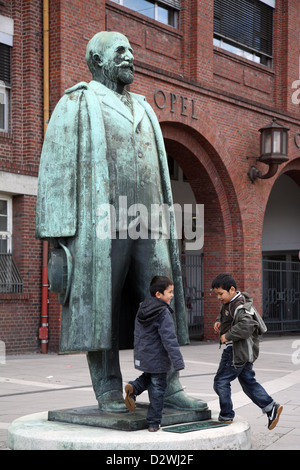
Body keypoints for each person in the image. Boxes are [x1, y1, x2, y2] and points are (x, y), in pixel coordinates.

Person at [36, 31, 207, 413]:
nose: (130, 57)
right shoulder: (77, 103)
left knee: (161, 301)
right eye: (120, 52)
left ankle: (171, 384)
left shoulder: (145, 107)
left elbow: (161, 172)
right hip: (99, 226)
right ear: (97, 61)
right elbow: (55, 171)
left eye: (131, 51)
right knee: (102, 306)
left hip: (148, 221)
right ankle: (109, 389)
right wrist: (59, 239)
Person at [211, 273, 283, 430]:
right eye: (216, 294)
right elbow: (227, 315)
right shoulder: (230, 302)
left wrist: (227, 336)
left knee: (220, 382)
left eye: (220, 294)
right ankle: (271, 407)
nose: (218, 297)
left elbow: (246, 326)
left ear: (231, 289)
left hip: (236, 352)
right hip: (242, 352)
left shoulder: (240, 305)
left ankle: (226, 415)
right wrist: (218, 321)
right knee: (248, 382)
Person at [124, 276, 185, 431]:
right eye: (169, 292)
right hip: (157, 358)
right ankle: (153, 422)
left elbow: (138, 332)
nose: (172, 295)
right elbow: (169, 339)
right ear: (159, 294)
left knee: (148, 377)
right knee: (158, 389)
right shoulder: (163, 313)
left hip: (144, 355)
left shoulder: (143, 308)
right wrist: (178, 361)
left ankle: (134, 387)